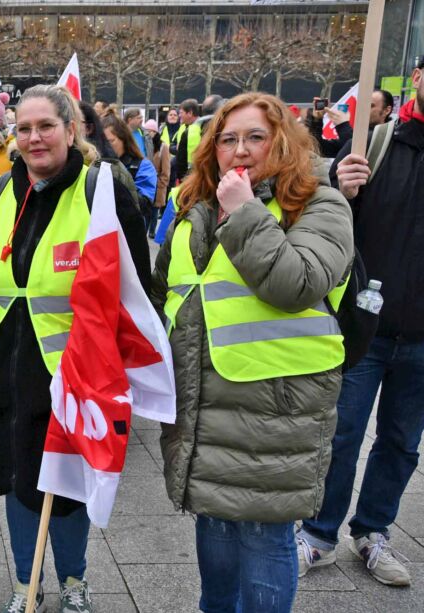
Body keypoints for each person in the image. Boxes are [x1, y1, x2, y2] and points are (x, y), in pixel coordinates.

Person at [151, 92, 353, 612]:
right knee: (214, 524)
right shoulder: (193, 207)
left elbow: (296, 283)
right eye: (228, 139)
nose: (240, 150)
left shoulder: (320, 204)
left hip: (275, 407)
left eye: (255, 138)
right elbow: (169, 290)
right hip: (204, 400)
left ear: (282, 142)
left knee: (264, 535)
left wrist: (244, 212)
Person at [0, 84, 150, 613]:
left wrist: (117, 367)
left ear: (72, 130)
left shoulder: (101, 191)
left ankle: (74, 581)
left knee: (67, 483)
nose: (34, 137)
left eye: (46, 126)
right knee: (21, 481)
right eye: (24, 128)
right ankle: (27, 582)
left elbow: (135, 289)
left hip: (71, 371)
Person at [297, 57, 424, 588]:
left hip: (422, 339)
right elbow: (303, 192)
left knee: (400, 442)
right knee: (341, 433)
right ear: (417, 79)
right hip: (363, 331)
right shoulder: (373, 144)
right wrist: (333, 176)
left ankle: (373, 531)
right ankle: (319, 533)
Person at [101, 112, 158, 209]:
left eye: (110, 141)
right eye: (102, 142)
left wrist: (117, 178)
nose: (106, 147)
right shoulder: (97, 165)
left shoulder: (143, 166)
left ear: (123, 139)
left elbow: (144, 204)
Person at [145, 119, 171, 239]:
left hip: (157, 183)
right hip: (146, 181)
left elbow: (166, 169)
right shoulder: (145, 145)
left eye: (151, 131)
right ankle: (144, 230)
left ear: (155, 132)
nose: (148, 134)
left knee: (154, 210)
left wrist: (161, 184)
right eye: (147, 131)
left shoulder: (162, 147)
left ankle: (151, 231)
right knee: (145, 209)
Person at [174, 99, 201, 179]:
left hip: (192, 176)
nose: (179, 115)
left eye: (181, 113)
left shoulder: (200, 129)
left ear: (190, 113)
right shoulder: (186, 128)